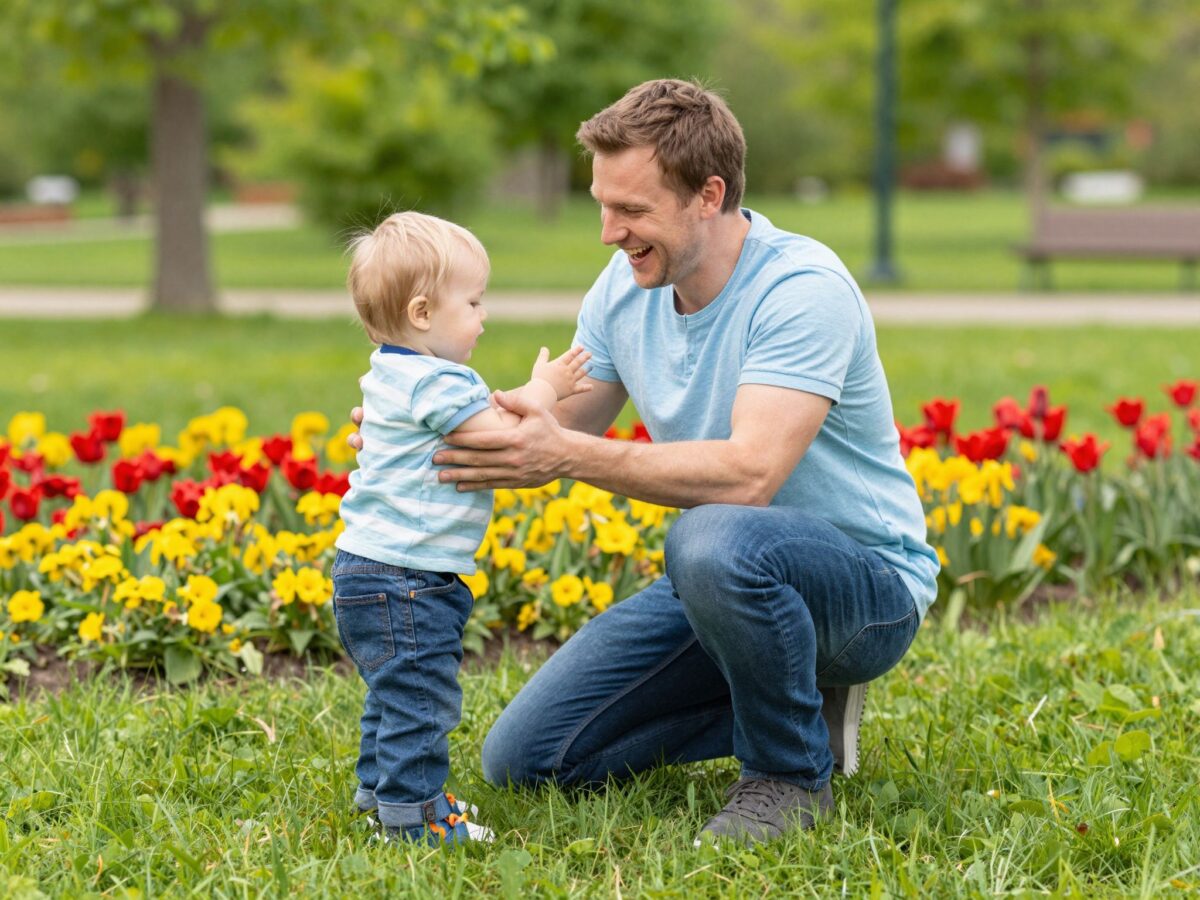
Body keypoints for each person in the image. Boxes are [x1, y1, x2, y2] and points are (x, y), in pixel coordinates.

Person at [351, 79, 939, 847]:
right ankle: (794, 697)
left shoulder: (802, 290)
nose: (608, 232)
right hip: (725, 585)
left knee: (712, 534)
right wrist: (426, 431)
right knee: (528, 757)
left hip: (861, 589)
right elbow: (554, 423)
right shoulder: (626, 287)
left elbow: (750, 476)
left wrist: (565, 455)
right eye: (603, 205)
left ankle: (788, 776)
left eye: (630, 209)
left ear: (708, 195)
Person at [333, 211, 591, 846]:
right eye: (473, 302)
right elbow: (501, 439)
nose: (483, 315)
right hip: (409, 577)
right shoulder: (437, 380)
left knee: (393, 693)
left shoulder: (389, 371)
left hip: (369, 569)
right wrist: (546, 390)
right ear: (422, 313)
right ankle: (414, 819)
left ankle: (380, 794)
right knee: (421, 698)